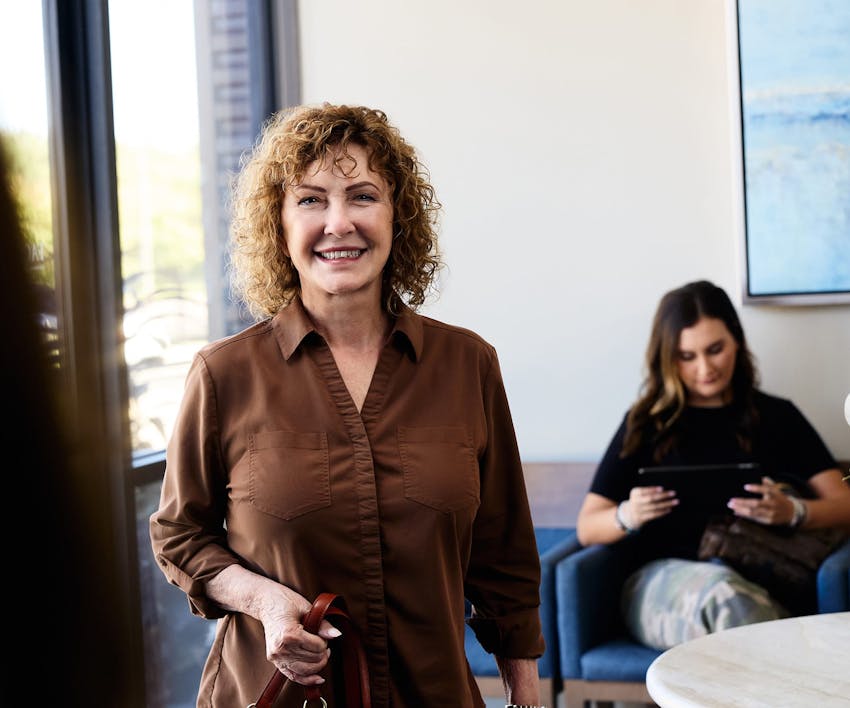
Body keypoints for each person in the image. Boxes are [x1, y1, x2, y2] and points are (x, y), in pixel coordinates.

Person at [149, 103, 545, 707]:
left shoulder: (469, 365)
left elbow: (505, 557)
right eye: (311, 200)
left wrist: (526, 696)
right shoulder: (223, 374)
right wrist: (266, 602)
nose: (339, 223)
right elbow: (180, 536)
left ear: (397, 217)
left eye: (362, 195)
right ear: (278, 225)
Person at [576, 279, 850, 651]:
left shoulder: (777, 417)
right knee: (726, 601)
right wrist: (628, 514)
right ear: (667, 357)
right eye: (687, 356)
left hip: (761, 580)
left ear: (737, 339)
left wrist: (794, 511)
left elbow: (844, 505)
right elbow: (587, 527)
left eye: (715, 349)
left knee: (739, 612)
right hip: (663, 582)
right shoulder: (645, 424)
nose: (704, 368)